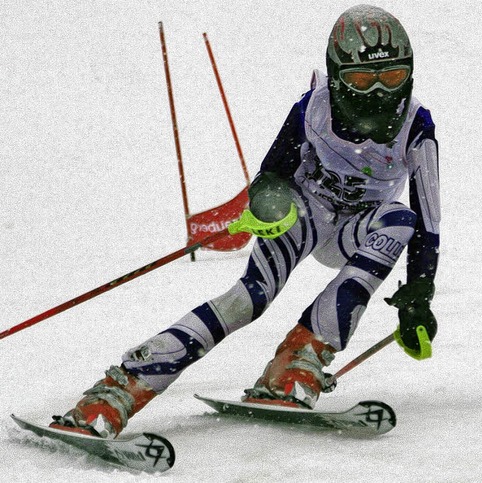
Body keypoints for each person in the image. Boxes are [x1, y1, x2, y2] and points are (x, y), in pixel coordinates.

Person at [51, 4, 441, 439]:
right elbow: (271, 173)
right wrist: (269, 200)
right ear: (337, 76)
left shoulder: (416, 126)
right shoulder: (314, 109)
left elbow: (429, 220)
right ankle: (120, 389)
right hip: (304, 215)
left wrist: (418, 295)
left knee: (400, 219)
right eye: (361, 80)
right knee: (248, 300)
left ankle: (299, 358)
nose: (377, 94)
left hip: (357, 231)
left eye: (391, 78)